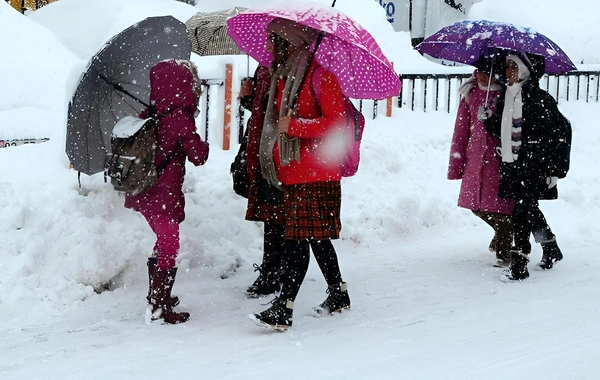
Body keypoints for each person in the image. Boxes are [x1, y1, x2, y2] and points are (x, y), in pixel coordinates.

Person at [249, 18, 351, 331]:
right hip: (294, 173)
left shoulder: (322, 77)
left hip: (317, 174)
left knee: (297, 240)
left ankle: (284, 306)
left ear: (291, 43)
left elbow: (337, 124)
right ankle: (338, 293)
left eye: (274, 41)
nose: (268, 47)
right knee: (316, 239)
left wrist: (296, 127)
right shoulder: (286, 77)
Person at [124, 59, 209, 323]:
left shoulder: (150, 113)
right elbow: (198, 156)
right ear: (184, 86)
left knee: (163, 242)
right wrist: (199, 141)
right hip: (162, 193)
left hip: (144, 189)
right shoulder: (179, 119)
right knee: (170, 244)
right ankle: (159, 307)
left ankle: (157, 297)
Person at [483, 53, 572, 281]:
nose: (509, 70)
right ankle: (550, 245)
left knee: (521, 211)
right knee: (527, 207)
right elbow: (504, 131)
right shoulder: (505, 97)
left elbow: (560, 133)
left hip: (534, 164)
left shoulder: (540, 99)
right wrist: (488, 120)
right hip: (511, 163)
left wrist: (555, 170)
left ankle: (520, 262)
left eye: (514, 66)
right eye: (507, 66)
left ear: (525, 70)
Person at [448, 52, 515, 266]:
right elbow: (460, 132)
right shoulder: (471, 94)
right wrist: (456, 165)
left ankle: (503, 253)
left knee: (500, 207)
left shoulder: (508, 95)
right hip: (475, 160)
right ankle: (503, 232)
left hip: (499, 161)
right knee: (476, 205)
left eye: (487, 73)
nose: (482, 77)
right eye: (479, 72)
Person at [239, 65, 288, 298]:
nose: (267, 43)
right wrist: (249, 96)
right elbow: (262, 110)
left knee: (278, 216)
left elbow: (280, 109)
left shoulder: (286, 69)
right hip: (263, 149)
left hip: (278, 151)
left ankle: (275, 272)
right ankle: (275, 270)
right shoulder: (265, 67)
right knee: (273, 217)